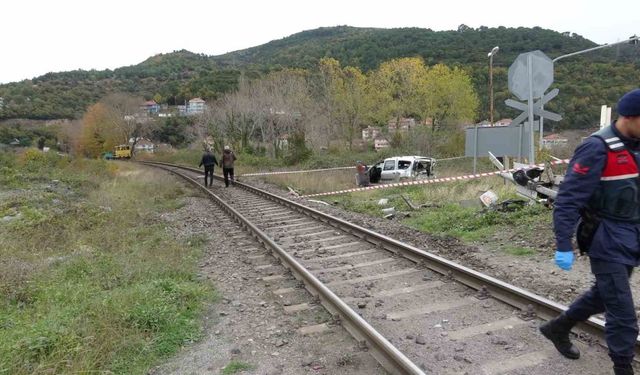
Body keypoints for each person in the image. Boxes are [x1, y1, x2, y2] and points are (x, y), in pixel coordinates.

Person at [540, 89, 640, 375]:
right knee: (622, 313)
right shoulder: (596, 148)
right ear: (630, 117)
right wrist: (563, 244)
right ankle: (623, 368)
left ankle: (557, 328)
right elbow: (569, 199)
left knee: (603, 295)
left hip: (630, 236)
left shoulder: (636, 144)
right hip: (605, 239)